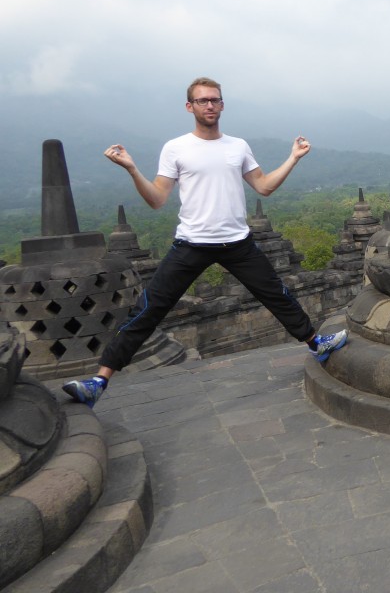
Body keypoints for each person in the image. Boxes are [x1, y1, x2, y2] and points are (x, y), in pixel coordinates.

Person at [62, 77, 348, 408]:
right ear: (190, 107)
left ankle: (317, 344)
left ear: (222, 105)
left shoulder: (238, 146)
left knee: (278, 295)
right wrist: (131, 169)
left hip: (237, 243)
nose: (209, 105)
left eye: (215, 100)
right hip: (191, 244)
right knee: (148, 309)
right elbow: (157, 198)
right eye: (202, 101)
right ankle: (99, 380)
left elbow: (264, 187)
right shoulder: (176, 147)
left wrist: (294, 157)